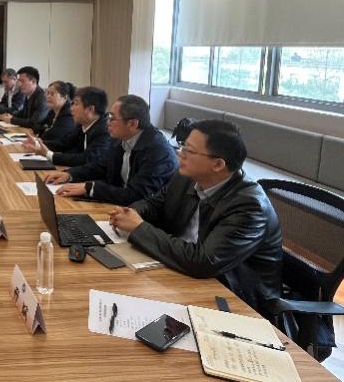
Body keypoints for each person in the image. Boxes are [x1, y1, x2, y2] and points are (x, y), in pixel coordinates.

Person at [109, 120, 282, 316]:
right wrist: (130, 213)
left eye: (189, 150)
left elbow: (203, 262)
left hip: (233, 299)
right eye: (182, 146)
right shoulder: (186, 177)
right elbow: (153, 204)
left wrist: (138, 228)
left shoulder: (249, 207)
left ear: (218, 164)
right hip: (182, 271)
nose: (179, 153)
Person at [46, 94, 177, 205]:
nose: (108, 122)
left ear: (132, 123)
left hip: (141, 216)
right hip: (117, 204)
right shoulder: (120, 138)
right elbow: (101, 166)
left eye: (112, 118)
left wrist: (91, 188)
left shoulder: (158, 152)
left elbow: (137, 195)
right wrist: (70, 174)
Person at [23, 86, 111, 168]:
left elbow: (86, 159)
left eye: (76, 104)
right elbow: (64, 144)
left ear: (90, 109)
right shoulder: (82, 125)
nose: (71, 108)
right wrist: (37, 143)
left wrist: (49, 154)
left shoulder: (104, 131)